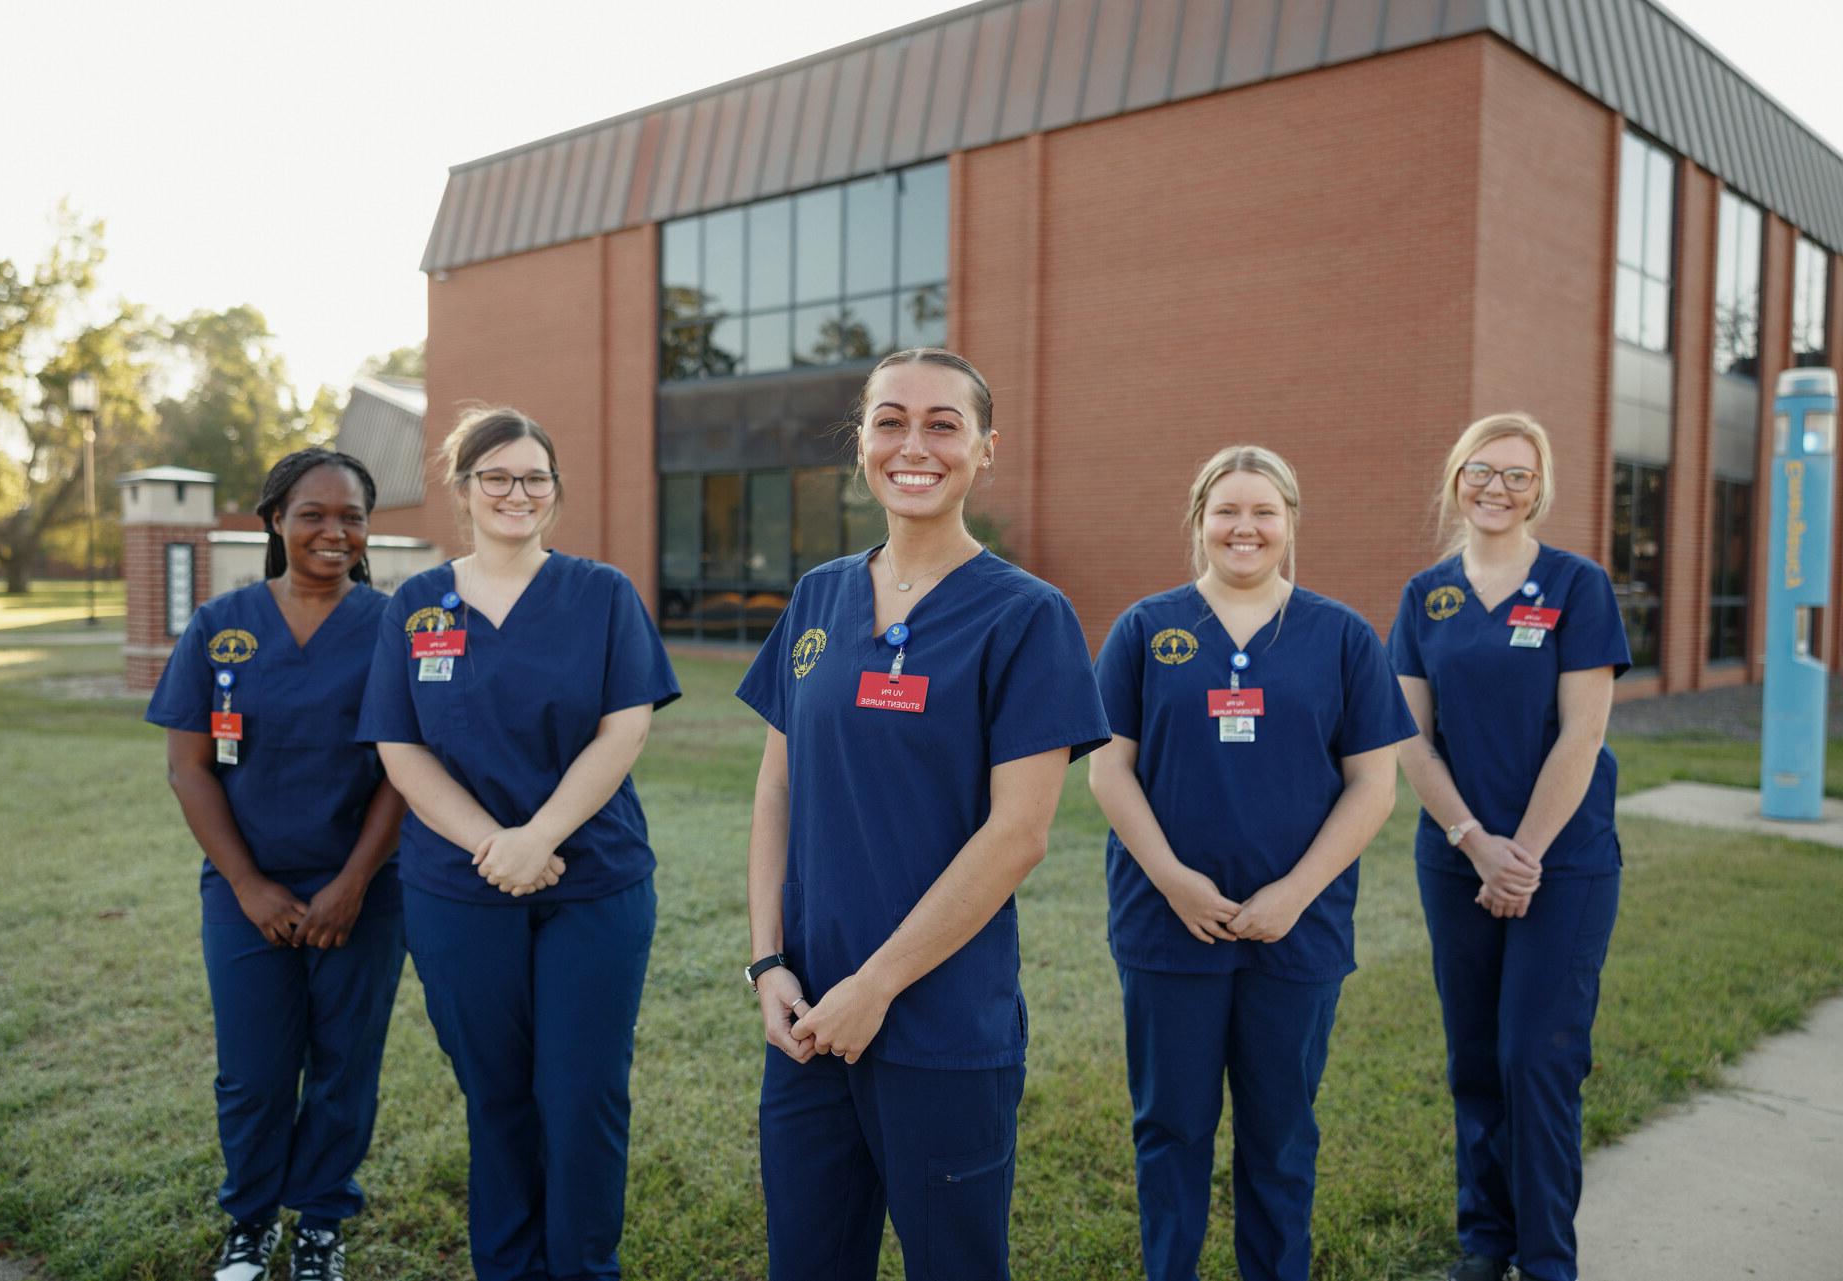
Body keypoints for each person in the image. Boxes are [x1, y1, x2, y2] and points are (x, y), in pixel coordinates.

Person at [735, 348, 1110, 1281]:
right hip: (807, 1017)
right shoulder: (820, 594)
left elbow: (1019, 833)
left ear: (985, 450)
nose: (914, 444)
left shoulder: (1027, 615)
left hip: (941, 1026)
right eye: (890, 420)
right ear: (860, 442)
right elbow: (777, 787)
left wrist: (878, 985)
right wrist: (768, 961)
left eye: (944, 424)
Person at [356, 406, 678, 1281]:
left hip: (592, 879)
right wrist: (494, 846)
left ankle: (582, 1267)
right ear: (461, 491)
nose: (516, 492)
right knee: (496, 1095)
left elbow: (624, 729)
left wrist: (539, 837)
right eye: (495, 475)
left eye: (534, 476)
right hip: (460, 889)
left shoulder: (602, 593)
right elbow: (400, 746)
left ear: (555, 492)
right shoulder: (418, 606)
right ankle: (507, 1267)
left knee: (581, 1097)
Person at [1088, 444, 1414, 1281]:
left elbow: (1374, 784)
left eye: (1263, 511)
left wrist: (1295, 894)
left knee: (1280, 1132)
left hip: (1295, 934)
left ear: (1290, 522)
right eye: (1226, 510)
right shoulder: (1145, 628)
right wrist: (1171, 877)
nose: (1245, 527)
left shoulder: (1341, 635)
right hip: (1168, 926)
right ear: (1198, 521)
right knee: (1171, 1128)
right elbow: (1107, 768)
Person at [145, 448, 407, 1281]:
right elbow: (190, 767)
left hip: (363, 889)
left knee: (343, 1066)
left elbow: (409, 767)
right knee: (254, 1073)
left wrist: (353, 883)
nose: (335, 532)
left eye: (352, 517)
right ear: (273, 521)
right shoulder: (220, 624)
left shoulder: (391, 626)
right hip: (243, 893)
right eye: (313, 514)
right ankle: (250, 1222)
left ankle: (322, 1222)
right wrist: (250, 885)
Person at [1387, 413, 1629, 1281]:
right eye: (1481, 471)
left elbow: (1583, 733)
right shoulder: (1427, 596)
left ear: (1541, 488)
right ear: (1456, 479)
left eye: (1518, 476)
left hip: (1562, 863)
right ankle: (1487, 1242)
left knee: (1538, 1056)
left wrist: (1519, 854)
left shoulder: (1576, 584)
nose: (1497, 488)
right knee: (1476, 1059)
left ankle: (1548, 1258)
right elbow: (1411, 739)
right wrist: (1473, 842)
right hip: (1455, 859)